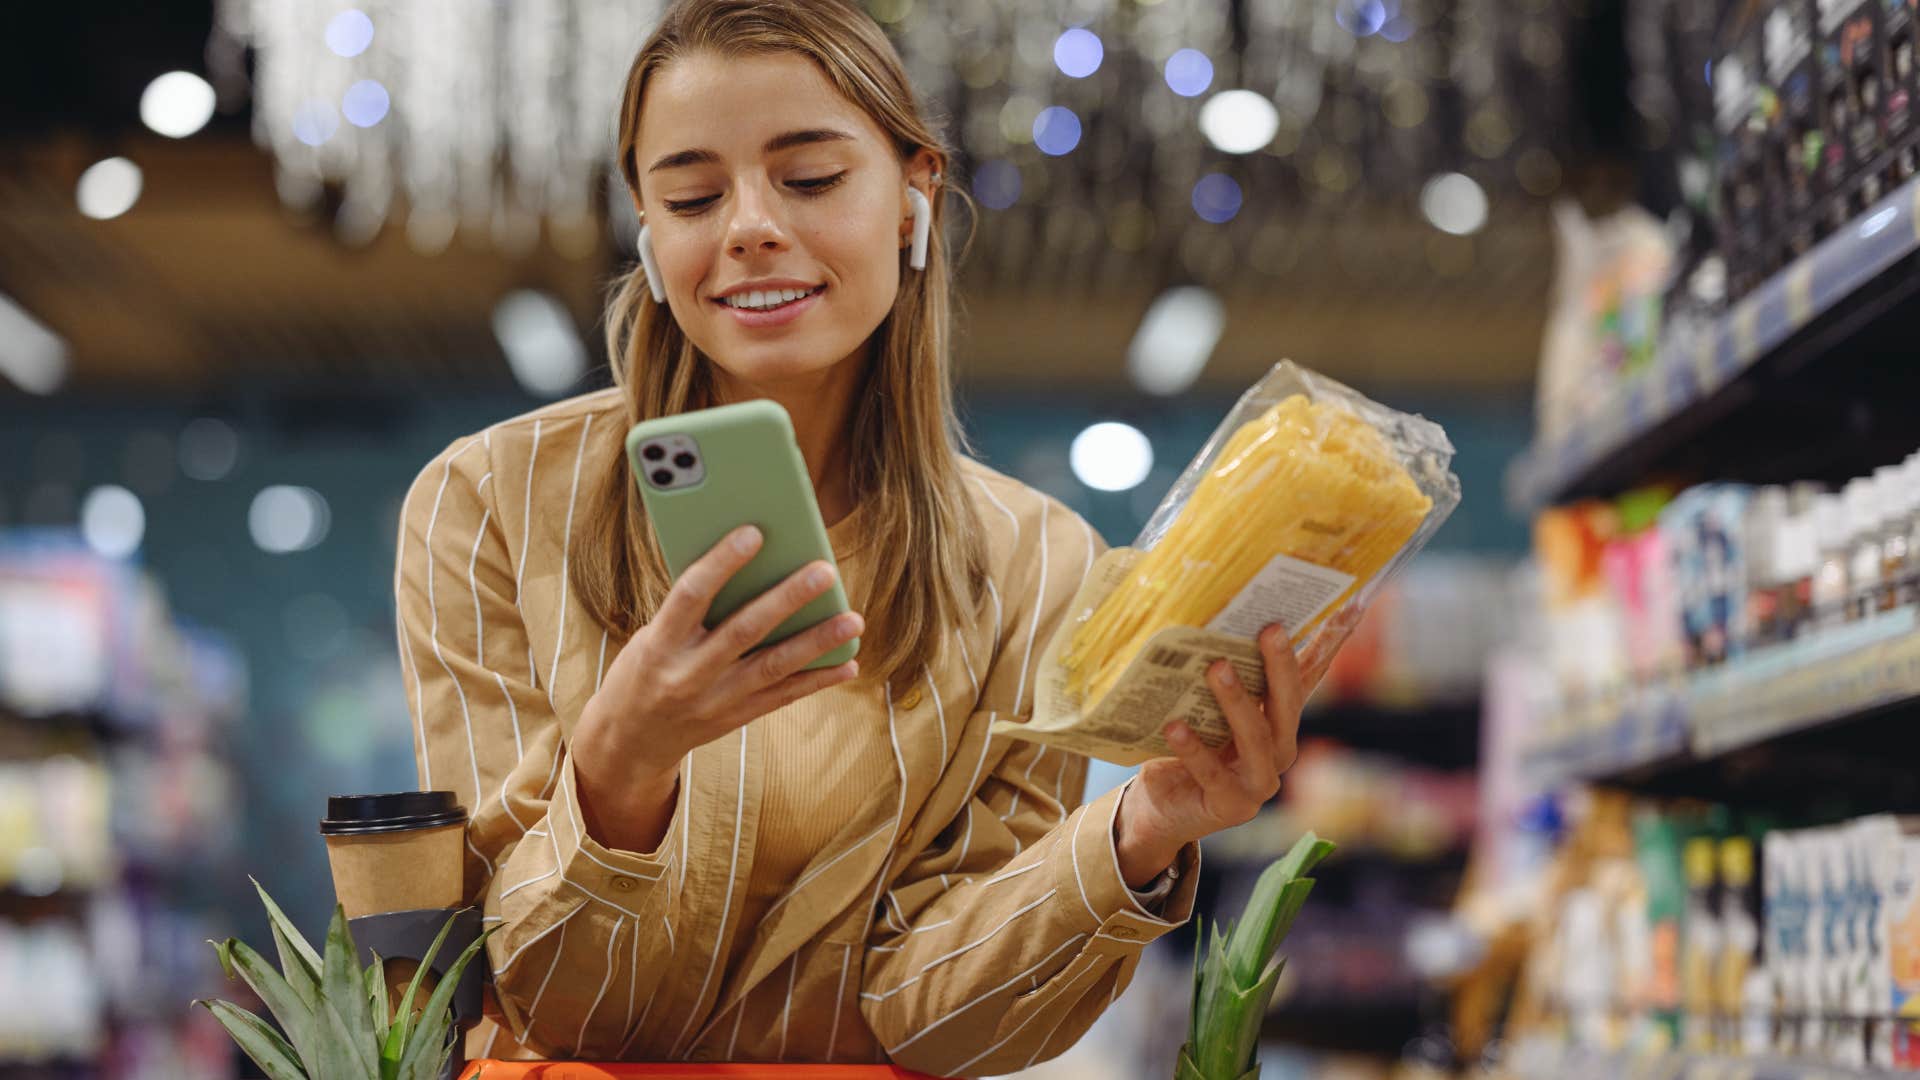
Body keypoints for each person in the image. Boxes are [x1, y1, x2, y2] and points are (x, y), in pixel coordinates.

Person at [393, 0, 1304, 1071]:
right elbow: (534, 995)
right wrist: (619, 772)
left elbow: (939, 1022)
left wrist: (1139, 832)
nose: (747, 227)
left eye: (811, 178)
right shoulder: (489, 500)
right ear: (647, 230)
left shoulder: (1037, 562)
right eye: (690, 195)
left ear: (916, 194)